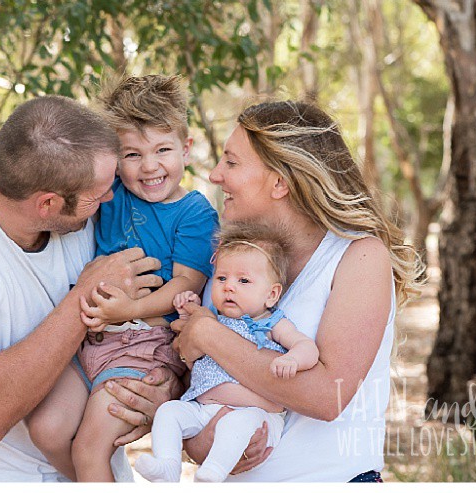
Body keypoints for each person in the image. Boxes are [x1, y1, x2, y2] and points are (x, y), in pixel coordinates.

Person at [0, 95, 181, 482]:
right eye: (98, 195)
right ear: (47, 203)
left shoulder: (87, 203)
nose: (112, 197)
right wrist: (84, 296)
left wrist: (166, 389)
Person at [0, 75, 218, 482]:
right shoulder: (112, 188)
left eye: (163, 150)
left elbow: (186, 286)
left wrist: (129, 308)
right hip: (89, 340)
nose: (149, 166)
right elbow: (50, 156)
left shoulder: (195, 212)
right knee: (47, 429)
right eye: (132, 154)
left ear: (185, 149)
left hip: (143, 343)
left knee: (88, 449)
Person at [170, 98, 424, 482]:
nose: (215, 176)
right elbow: (204, 387)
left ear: (279, 182)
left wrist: (208, 333)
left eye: (232, 162)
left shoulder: (358, 257)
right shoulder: (229, 259)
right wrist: (201, 442)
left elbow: (327, 396)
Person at [135, 221, 319, 482]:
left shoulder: (271, 323)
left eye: (243, 280)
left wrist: (292, 359)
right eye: (222, 278)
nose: (229, 286)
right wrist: (189, 309)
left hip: (255, 414)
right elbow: (189, 340)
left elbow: (306, 347)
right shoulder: (214, 319)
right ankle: (167, 465)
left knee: (235, 425)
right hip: (204, 408)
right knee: (169, 412)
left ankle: (214, 473)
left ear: (271, 294)